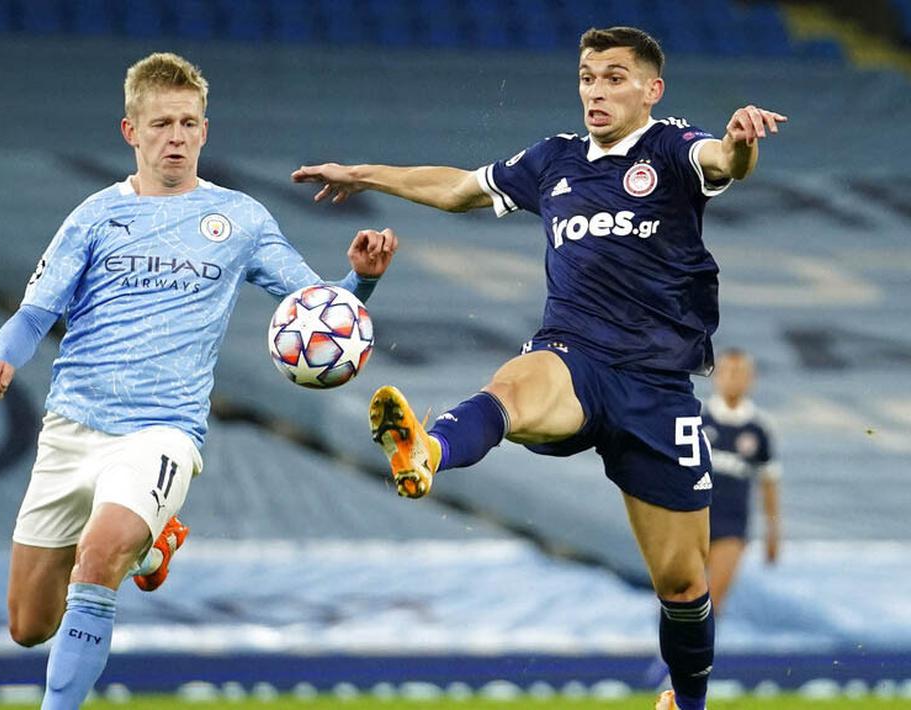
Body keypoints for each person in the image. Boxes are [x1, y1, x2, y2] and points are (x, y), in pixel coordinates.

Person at [292, 26, 784, 710]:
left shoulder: (671, 148)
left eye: (614, 77)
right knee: (514, 384)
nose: (596, 90)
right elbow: (459, 188)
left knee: (680, 584)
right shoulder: (554, 160)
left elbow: (722, 161)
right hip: (574, 356)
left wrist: (740, 141)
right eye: (587, 76)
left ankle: (687, 700)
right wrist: (361, 173)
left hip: (657, 388)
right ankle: (426, 450)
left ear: (651, 89)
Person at [0, 52, 397, 710]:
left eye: (188, 122)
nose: (176, 136)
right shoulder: (92, 217)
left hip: (161, 431)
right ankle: (152, 547)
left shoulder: (242, 221)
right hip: (71, 429)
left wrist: (360, 278)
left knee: (100, 553)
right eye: (161, 122)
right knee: (30, 627)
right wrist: (1, 360)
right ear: (130, 132)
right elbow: (34, 313)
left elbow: (321, 314)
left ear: (203, 130)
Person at [702, 348, 781, 614]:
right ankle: (668, 653)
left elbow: (769, 481)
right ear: (716, 376)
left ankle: (699, 655)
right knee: (680, 598)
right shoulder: (697, 420)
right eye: (727, 372)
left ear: (751, 379)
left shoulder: (758, 428)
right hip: (692, 521)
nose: (733, 379)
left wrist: (773, 531)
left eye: (740, 373)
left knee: (713, 602)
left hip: (731, 525)